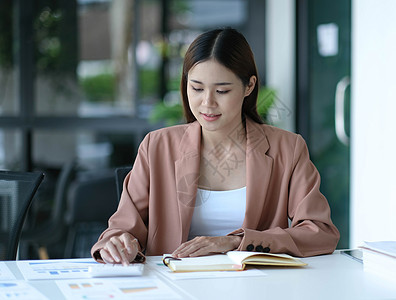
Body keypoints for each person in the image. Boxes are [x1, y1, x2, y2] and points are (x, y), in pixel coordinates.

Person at [91, 28, 340, 265]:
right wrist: (119, 243)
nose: (207, 103)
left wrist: (234, 242)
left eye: (222, 90)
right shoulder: (157, 146)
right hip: (174, 285)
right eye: (197, 88)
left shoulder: (288, 148)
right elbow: (122, 229)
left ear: (249, 86)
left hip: (257, 286)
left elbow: (320, 232)